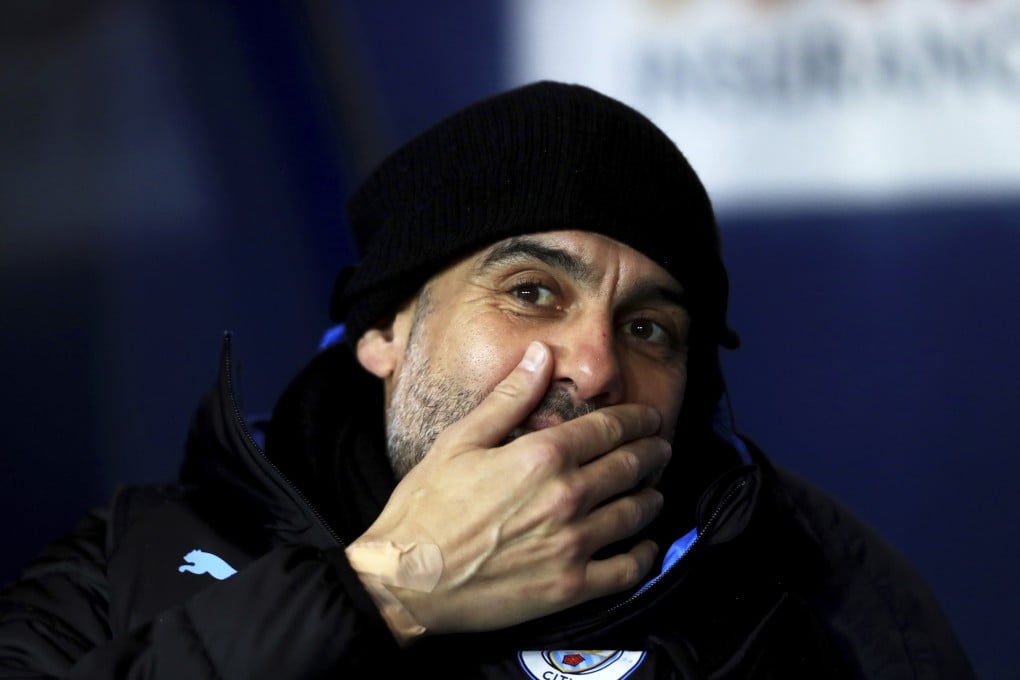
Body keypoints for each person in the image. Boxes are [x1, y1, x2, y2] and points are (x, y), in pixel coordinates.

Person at [0, 81, 974, 679]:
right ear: (382, 326)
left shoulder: (823, 597)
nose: (593, 365)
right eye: (532, 290)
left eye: (649, 326)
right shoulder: (134, 560)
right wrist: (381, 593)